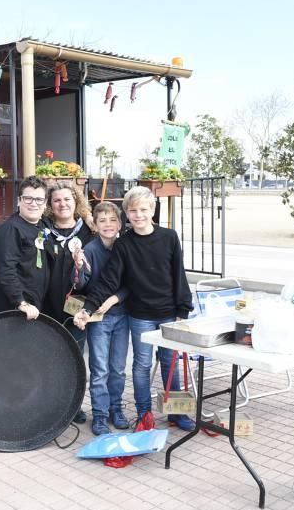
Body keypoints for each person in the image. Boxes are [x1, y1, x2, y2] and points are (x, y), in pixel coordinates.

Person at [73, 187, 195, 432]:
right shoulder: (124, 244)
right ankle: (144, 413)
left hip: (169, 313)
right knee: (141, 365)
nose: (138, 215)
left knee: (170, 363)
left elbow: (179, 275)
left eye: (143, 210)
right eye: (132, 211)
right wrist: (88, 308)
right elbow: (109, 280)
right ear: (127, 214)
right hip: (140, 315)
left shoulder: (169, 237)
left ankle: (177, 413)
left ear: (152, 210)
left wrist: (183, 309)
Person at [75, 202, 131, 435]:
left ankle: (115, 409)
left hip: (122, 315)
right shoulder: (90, 250)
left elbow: (130, 282)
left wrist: (115, 299)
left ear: (119, 223)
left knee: (118, 368)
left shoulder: (126, 247)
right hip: (98, 317)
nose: (108, 224)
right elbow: (82, 285)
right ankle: (99, 413)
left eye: (112, 220)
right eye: (102, 221)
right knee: (99, 368)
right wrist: (79, 269)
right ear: (95, 226)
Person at [42, 180, 95, 424]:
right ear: (50, 205)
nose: (62, 204)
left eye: (67, 199)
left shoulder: (89, 232)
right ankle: (53, 404)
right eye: (57, 200)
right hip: (47, 304)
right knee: (50, 357)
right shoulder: (42, 229)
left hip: (77, 306)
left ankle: (74, 405)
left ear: (76, 202)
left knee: (74, 357)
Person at [0, 176, 53, 320]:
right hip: (17, 310)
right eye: (28, 198)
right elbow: (5, 269)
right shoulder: (11, 230)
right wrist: (20, 301)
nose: (33, 204)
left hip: (36, 306)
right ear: (19, 201)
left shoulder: (44, 226)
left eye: (38, 199)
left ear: (45, 203)